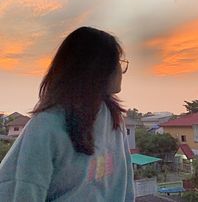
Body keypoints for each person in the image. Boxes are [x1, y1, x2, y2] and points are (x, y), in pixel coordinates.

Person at [0, 26, 135, 201]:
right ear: (95, 70)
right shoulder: (46, 126)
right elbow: (26, 190)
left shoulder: (112, 118)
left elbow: (125, 185)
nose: (120, 70)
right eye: (115, 62)